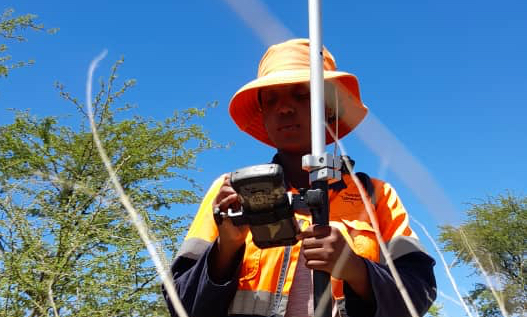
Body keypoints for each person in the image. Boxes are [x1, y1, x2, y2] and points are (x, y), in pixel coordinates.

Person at [164, 39, 436, 317]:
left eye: (302, 94)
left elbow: (419, 294)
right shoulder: (230, 193)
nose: (284, 108)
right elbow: (180, 305)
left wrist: (356, 270)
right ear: (264, 115)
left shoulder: (377, 195)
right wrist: (225, 248)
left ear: (329, 108)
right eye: (271, 99)